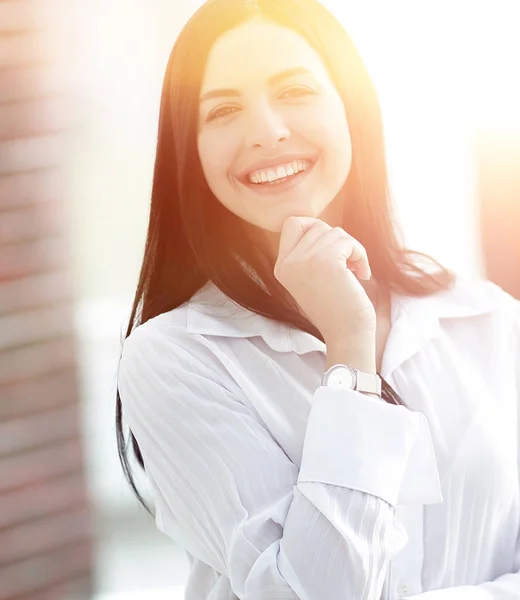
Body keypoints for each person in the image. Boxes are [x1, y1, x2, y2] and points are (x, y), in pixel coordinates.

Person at [115, 0, 520, 598]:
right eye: (223, 110)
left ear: (351, 108)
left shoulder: (484, 317)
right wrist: (350, 353)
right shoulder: (174, 358)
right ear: (191, 152)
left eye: (296, 91)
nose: (267, 130)